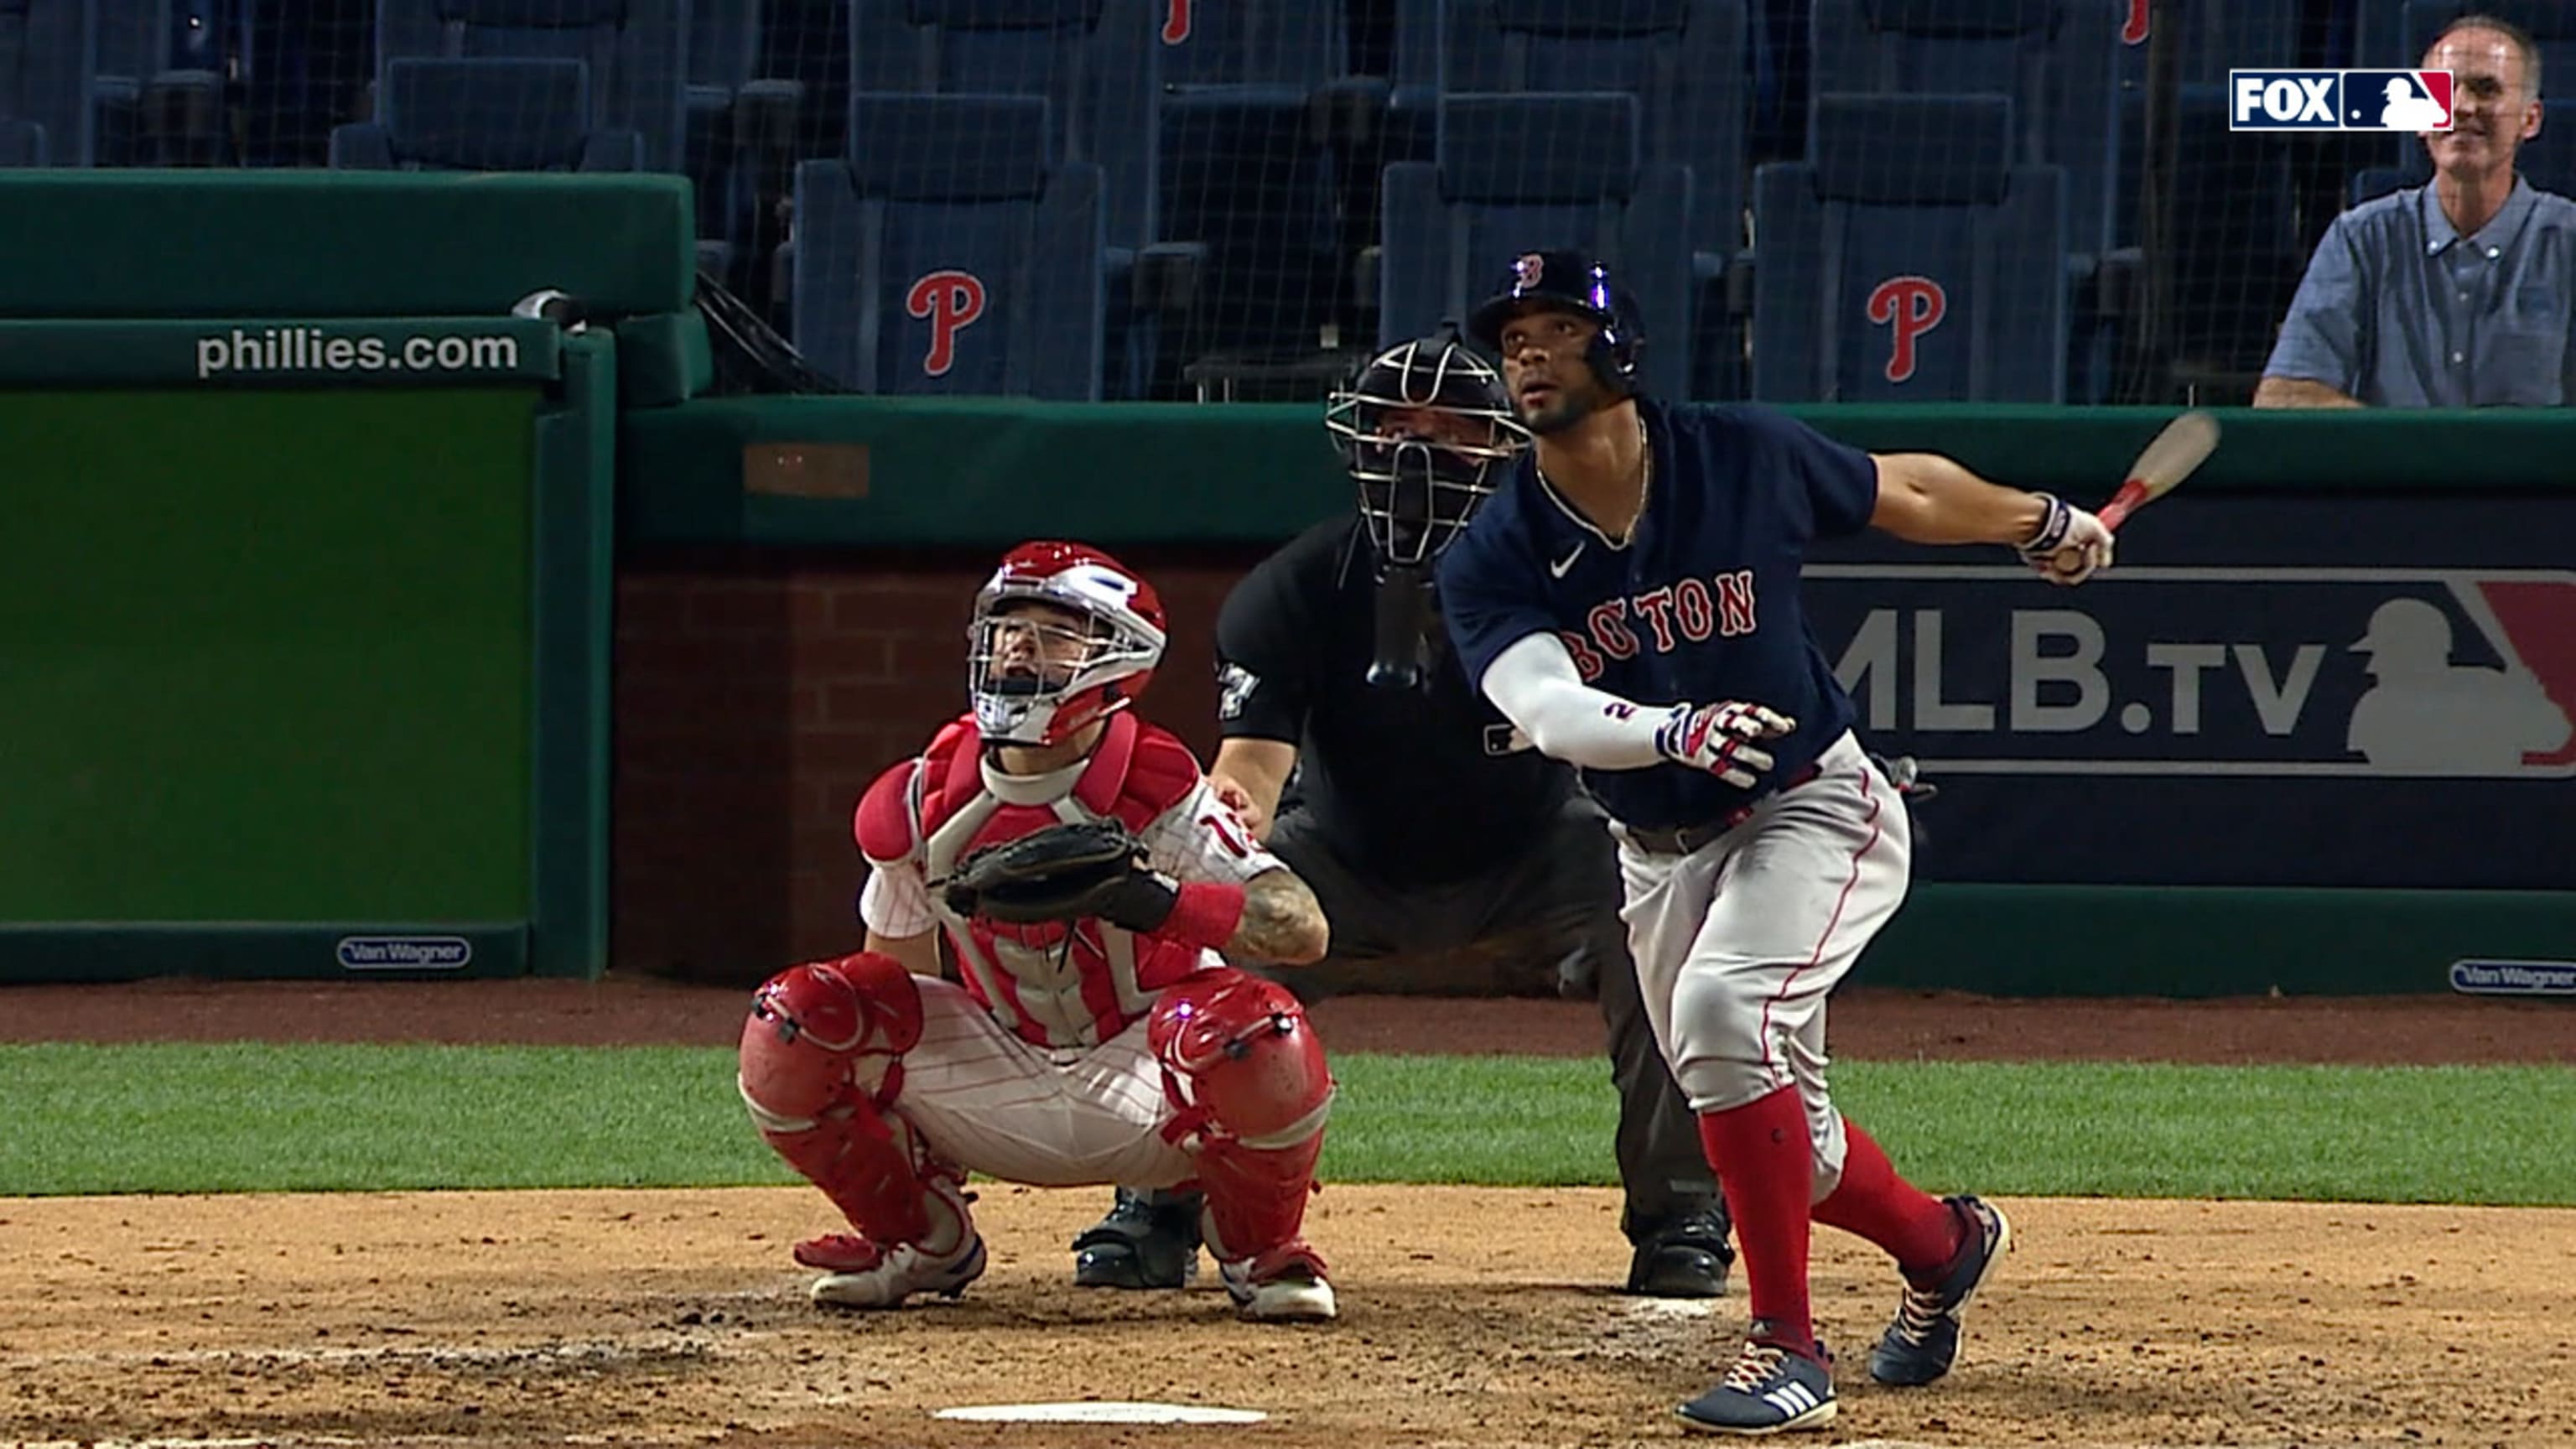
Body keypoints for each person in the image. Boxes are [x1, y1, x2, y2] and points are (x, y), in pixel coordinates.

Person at [1434, 250, 2112, 1434]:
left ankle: (1787, 1348)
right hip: (1658, 851)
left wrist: (2039, 521)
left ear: (1618, 347)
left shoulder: (1737, 454)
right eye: (1514, 341)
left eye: (1557, 330)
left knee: (1723, 1015)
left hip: (1812, 806)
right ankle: (1941, 1244)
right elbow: (1545, 707)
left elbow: (1906, 490)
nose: (1530, 355)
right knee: (1773, 1129)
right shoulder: (1495, 546)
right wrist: (1670, 729)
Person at [1066, 327, 1739, 1302]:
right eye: (1395, 427)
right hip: (1346, 860)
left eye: (1450, 428)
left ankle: (1681, 1215)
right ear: (1359, 443)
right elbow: (1251, 772)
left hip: (1539, 855)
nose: (1418, 451)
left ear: (1503, 445)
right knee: (1203, 926)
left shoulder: (1580, 577)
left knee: (1660, 911)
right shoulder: (1298, 587)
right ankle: (1157, 1207)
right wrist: (1220, 839)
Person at [734, 541, 1345, 1322]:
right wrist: (908, 1140)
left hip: (1147, 1075)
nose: (1019, 648)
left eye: (1054, 632)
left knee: (1258, 1030)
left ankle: (1258, 1249)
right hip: (1003, 1060)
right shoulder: (922, 796)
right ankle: (918, 1235)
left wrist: (1156, 900)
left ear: (1120, 656)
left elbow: (1300, 927)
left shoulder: (1158, 786)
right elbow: (891, 985)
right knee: (798, 1018)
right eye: (1007, 629)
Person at [2257, 14, 2576, 408]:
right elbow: (2284, 395)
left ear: (2530, 120)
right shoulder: (2360, 239)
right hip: (2388, 453)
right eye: (2442, 90)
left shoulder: (2568, 241)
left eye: (2486, 89)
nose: (2461, 106)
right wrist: (2411, 443)